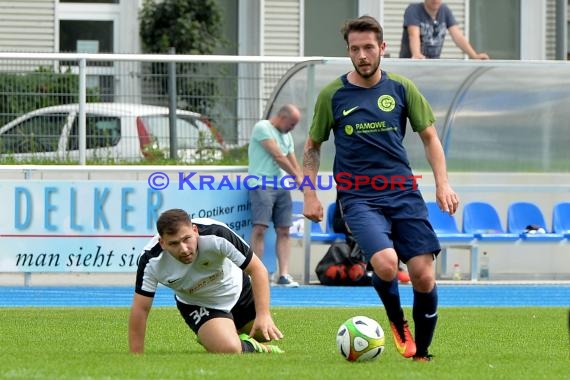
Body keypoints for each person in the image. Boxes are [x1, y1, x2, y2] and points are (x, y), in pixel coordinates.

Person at [302, 15, 459, 362]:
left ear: (382, 48)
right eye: (355, 49)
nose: (362, 55)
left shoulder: (401, 89)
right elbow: (312, 146)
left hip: (403, 193)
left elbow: (431, 138)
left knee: (423, 275)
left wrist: (442, 184)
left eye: (369, 47)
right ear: (348, 52)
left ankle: (422, 354)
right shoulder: (333, 95)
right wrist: (310, 194)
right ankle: (396, 320)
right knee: (387, 265)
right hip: (359, 198)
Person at [128, 209, 284, 354]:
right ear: (162, 243)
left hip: (237, 289)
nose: (183, 249)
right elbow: (141, 309)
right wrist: (136, 357)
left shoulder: (217, 233)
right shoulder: (151, 260)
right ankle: (242, 343)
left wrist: (264, 315)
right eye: (174, 244)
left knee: (266, 334)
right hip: (199, 304)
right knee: (229, 348)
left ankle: (219, 333)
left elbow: (257, 269)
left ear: (195, 230)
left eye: (186, 239)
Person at [248, 104, 304, 287]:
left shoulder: (286, 135)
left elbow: (291, 158)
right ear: (282, 117)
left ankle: (284, 275)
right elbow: (278, 157)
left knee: (284, 230)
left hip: (281, 186)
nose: (293, 128)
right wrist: (297, 177)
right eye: (292, 124)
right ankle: (254, 273)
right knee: (260, 228)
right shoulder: (262, 127)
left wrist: (302, 180)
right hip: (261, 184)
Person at [332, 196, 410, 284]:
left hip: (376, 227)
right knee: (369, 232)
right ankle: (364, 267)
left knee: (392, 229)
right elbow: (338, 224)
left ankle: (391, 268)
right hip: (354, 228)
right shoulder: (347, 193)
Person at [399, 0, 489, 60]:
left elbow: (458, 36)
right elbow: (413, 34)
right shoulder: (413, 10)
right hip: (411, 63)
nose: (435, 0)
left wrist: (474, 56)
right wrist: (416, 54)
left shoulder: (445, 10)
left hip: (433, 65)